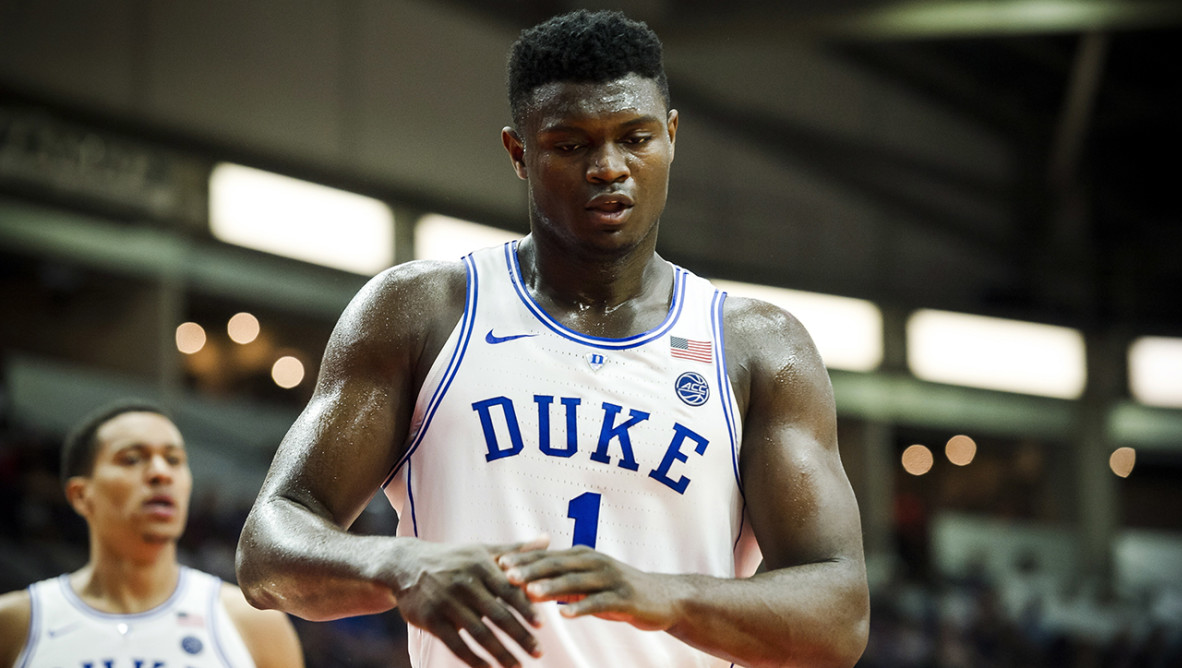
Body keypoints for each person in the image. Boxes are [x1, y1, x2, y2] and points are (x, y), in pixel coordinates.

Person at [236, 8, 869, 668]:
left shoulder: (758, 348)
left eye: (636, 138)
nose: (609, 167)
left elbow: (839, 615)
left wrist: (666, 596)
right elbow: (267, 551)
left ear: (672, 136)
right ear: (519, 153)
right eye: (571, 145)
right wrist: (400, 565)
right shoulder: (424, 312)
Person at [0, 401, 305, 668]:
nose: (161, 472)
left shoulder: (252, 622)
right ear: (81, 495)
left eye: (174, 460)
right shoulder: (14, 622)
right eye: (132, 458)